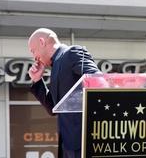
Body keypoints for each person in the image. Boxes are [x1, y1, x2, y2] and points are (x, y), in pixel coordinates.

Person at [28, 28, 101, 158]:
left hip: (85, 143)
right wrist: (37, 80)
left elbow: (98, 82)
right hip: (68, 147)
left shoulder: (71, 53)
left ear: (42, 41)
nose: (34, 57)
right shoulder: (56, 65)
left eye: (33, 51)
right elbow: (53, 108)